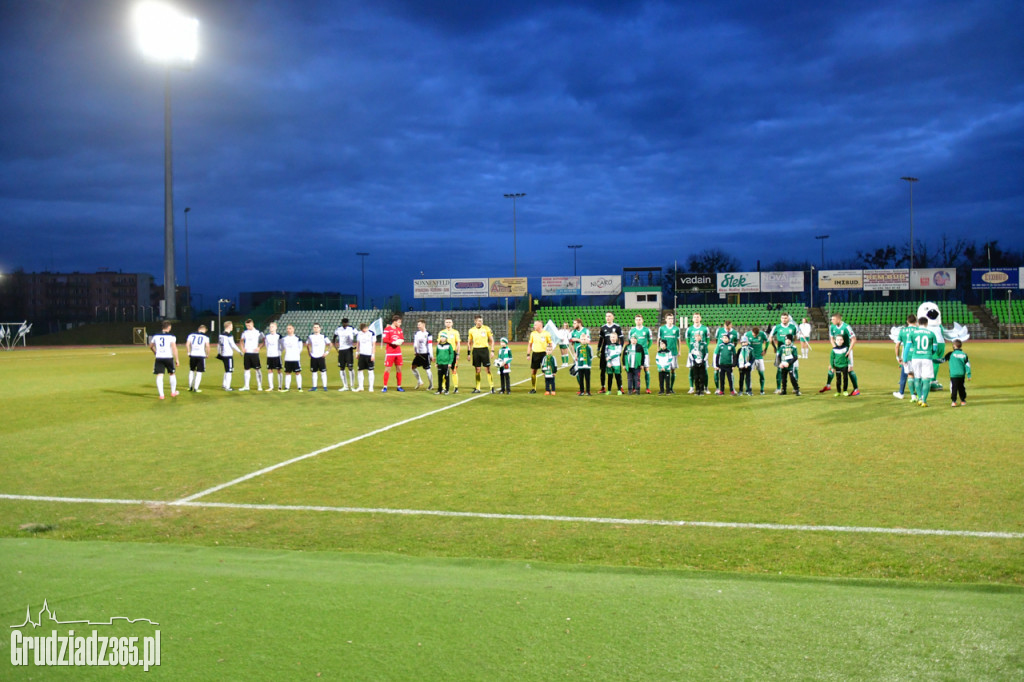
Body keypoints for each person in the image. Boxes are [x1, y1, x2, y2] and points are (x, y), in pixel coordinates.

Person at [818, 313, 860, 396]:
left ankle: (856, 389)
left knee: (849, 369)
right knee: (831, 366)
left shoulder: (846, 327)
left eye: (833, 319)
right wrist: (835, 348)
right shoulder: (832, 327)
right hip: (837, 351)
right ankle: (828, 385)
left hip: (846, 351)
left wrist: (849, 351)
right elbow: (831, 338)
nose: (831, 321)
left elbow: (854, 339)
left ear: (838, 319)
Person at [908, 316, 935, 407]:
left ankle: (919, 398)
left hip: (915, 357)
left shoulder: (913, 333)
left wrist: (904, 358)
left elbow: (908, 347)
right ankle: (924, 401)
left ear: (918, 323)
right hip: (927, 357)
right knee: (926, 379)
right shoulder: (931, 333)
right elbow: (935, 348)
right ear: (927, 324)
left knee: (917, 378)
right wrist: (930, 353)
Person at [768, 312, 798, 394]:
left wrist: (792, 345)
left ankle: (795, 388)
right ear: (780, 319)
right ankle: (779, 388)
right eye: (782, 318)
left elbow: (795, 337)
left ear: (788, 318)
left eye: (785, 318)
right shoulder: (777, 327)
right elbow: (770, 338)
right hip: (780, 353)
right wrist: (775, 347)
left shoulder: (793, 327)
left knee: (794, 370)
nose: (784, 320)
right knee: (779, 370)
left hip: (791, 353)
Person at [149, 321, 180, 399]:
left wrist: (155, 352)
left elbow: (151, 346)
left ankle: (161, 395)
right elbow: (174, 347)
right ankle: (173, 392)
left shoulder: (156, 335)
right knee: (172, 374)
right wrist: (177, 359)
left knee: (159, 375)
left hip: (159, 357)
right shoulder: (171, 336)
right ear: (169, 327)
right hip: (168, 357)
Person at [467, 314, 495, 394]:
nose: (480, 322)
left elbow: (491, 340)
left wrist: (492, 351)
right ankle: (478, 388)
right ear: (475, 321)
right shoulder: (471, 330)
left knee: (487, 369)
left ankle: (492, 387)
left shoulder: (487, 329)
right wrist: (468, 353)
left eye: (481, 321)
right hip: (476, 351)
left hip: (484, 350)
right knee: (477, 370)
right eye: (479, 321)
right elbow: (469, 343)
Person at [597, 312, 623, 394]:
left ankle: (620, 387)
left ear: (613, 317)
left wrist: (621, 348)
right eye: (606, 316)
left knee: (617, 370)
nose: (608, 318)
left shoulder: (617, 327)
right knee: (603, 369)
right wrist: (598, 348)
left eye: (609, 316)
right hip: (605, 350)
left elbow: (621, 339)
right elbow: (601, 340)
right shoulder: (603, 327)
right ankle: (603, 387)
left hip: (615, 350)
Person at [893, 314, 917, 401]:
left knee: (904, 374)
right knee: (917, 375)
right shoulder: (918, 330)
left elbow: (897, 345)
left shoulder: (903, 331)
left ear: (907, 321)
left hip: (906, 356)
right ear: (916, 321)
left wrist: (897, 357)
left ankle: (901, 393)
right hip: (918, 355)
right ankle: (917, 393)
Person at [628, 314, 654, 394]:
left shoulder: (647, 330)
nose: (638, 321)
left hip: (645, 353)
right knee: (634, 370)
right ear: (634, 321)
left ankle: (647, 388)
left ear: (642, 320)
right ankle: (635, 388)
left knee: (646, 369)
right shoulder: (632, 331)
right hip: (634, 354)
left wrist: (645, 349)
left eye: (639, 319)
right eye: (636, 319)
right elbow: (630, 342)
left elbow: (650, 341)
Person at [526, 320, 553, 394]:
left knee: (546, 371)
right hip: (535, 354)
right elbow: (530, 344)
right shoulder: (533, 334)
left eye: (535, 325)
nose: (534, 326)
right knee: (533, 371)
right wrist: (528, 354)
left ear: (540, 326)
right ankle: (533, 388)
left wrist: (550, 353)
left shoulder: (546, 333)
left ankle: (548, 388)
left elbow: (550, 343)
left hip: (544, 354)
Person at [684, 312, 709, 394]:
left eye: (698, 317)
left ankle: (705, 387)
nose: (696, 318)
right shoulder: (689, 329)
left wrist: (703, 348)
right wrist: (691, 348)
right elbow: (687, 340)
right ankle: (691, 387)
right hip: (693, 353)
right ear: (692, 319)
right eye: (695, 317)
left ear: (700, 318)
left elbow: (708, 339)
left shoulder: (705, 328)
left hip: (702, 352)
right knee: (691, 369)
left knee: (704, 370)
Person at [658, 312, 682, 394]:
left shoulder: (676, 329)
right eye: (669, 319)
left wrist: (679, 351)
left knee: (672, 370)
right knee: (663, 370)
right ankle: (663, 388)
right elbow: (659, 339)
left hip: (673, 352)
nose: (671, 320)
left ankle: (671, 387)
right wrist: (658, 349)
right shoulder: (661, 329)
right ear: (665, 319)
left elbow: (679, 340)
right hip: (664, 353)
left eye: (672, 319)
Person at [713, 320, 739, 392]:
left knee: (730, 373)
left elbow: (735, 343)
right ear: (724, 325)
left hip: (728, 354)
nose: (727, 329)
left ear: (731, 325)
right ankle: (718, 388)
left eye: (728, 327)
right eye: (726, 327)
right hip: (718, 353)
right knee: (716, 371)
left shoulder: (735, 333)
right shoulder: (719, 330)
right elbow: (716, 340)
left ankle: (732, 388)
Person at [381, 315, 404, 392]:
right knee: (387, 369)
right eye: (399, 322)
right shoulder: (387, 329)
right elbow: (385, 339)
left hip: (398, 352)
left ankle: (399, 386)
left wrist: (400, 341)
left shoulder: (399, 330)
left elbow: (402, 338)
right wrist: (393, 342)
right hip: (390, 352)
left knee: (399, 369)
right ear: (394, 322)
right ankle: (385, 387)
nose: (400, 324)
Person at [239, 318, 264, 392]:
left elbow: (263, 341)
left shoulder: (258, 332)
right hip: (247, 354)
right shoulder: (245, 332)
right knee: (246, 370)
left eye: (249, 325)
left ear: (252, 324)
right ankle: (246, 386)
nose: (248, 327)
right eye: (246, 326)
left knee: (257, 369)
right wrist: (242, 348)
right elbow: (241, 341)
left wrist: (259, 347)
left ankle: (259, 386)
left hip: (254, 354)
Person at [742, 326, 768, 395]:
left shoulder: (762, 334)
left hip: (759, 357)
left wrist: (765, 349)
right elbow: (743, 344)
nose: (755, 336)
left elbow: (767, 341)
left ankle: (762, 390)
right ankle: (748, 389)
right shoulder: (747, 334)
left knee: (761, 374)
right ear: (752, 332)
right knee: (748, 374)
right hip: (750, 358)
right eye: (754, 334)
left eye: (756, 335)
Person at [217, 321, 242, 391]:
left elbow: (219, 345)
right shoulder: (229, 335)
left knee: (226, 369)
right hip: (228, 355)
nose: (232, 327)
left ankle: (224, 384)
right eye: (231, 326)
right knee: (229, 371)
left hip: (223, 354)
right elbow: (233, 345)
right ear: (229, 326)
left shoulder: (221, 335)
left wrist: (219, 353)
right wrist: (239, 351)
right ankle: (227, 387)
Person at [945, 339, 971, 407]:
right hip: (961, 374)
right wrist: (968, 375)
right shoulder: (964, 354)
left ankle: (954, 401)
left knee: (954, 388)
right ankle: (963, 400)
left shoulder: (951, 354)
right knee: (961, 387)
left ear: (954, 345)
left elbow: (942, 360)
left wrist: (932, 360)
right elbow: (967, 365)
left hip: (954, 374)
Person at [333, 317, 356, 392]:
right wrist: (336, 347)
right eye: (344, 323)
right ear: (342, 323)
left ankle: (352, 386)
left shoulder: (351, 328)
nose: (346, 324)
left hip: (349, 349)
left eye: (347, 323)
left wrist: (355, 345)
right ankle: (345, 386)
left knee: (350, 367)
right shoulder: (338, 329)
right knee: (342, 368)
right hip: (341, 350)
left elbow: (358, 335)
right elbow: (334, 338)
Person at [185, 324, 210, 392]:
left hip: (193, 355)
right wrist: (207, 354)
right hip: (201, 355)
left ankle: (190, 387)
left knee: (191, 370)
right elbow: (207, 346)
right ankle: (196, 388)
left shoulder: (191, 335)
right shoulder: (205, 337)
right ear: (204, 329)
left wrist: (188, 352)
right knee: (199, 372)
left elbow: (187, 344)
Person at [306, 322, 330, 392]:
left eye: (317, 327)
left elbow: (330, 344)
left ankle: (325, 387)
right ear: (313, 328)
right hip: (313, 356)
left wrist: (327, 352)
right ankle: (314, 387)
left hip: (321, 356)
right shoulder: (310, 336)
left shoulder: (323, 336)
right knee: (314, 372)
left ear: (320, 328)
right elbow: (307, 344)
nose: (316, 328)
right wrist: (309, 352)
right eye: (314, 327)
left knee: (323, 372)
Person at [411, 319, 434, 391]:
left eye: (419, 324)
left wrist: (431, 355)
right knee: (413, 367)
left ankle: (431, 385)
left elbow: (430, 345)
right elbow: (415, 343)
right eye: (418, 325)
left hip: (425, 354)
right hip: (418, 354)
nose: (418, 326)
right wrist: (416, 351)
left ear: (423, 325)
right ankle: (419, 381)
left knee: (427, 370)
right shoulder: (417, 333)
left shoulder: (428, 334)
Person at [441, 317, 462, 393]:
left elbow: (458, 343)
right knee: (444, 370)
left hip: (452, 353)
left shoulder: (455, 332)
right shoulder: (441, 332)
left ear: (452, 323)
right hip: (444, 353)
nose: (448, 323)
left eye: (449, 322)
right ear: (444, 323)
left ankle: (456, 387)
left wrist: (458, 353)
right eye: (447, 322)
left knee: (454, 370)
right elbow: (439, 343)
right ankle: (443, 387)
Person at [280, 324, 304, 392]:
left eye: (290, 328)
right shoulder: (284, 339)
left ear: (293, 329)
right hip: (287, 358)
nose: (288, 330)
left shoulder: (297, 338)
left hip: (295, 358)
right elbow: (282, 348)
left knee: (297, 372)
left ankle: (299, 387)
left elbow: (300, 348)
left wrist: (296, 354)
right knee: (288, 373)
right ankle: (287, 387)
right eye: (287, 328)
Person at [354, 322, 376, 392]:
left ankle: (371, 387)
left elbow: (374, 344)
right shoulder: (359, 333)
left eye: (365, 329)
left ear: (367, 327)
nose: (364, 331)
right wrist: (357, 352)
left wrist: (373, 354)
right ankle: (361, 386)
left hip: (369, 354)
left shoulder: (372, 333)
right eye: (362, 330)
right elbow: (358, 343)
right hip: (362, 354)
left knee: (370, 371)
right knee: (360, 370)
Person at [688, 331, 709, 396]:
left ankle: (702, 390)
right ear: (694, 337)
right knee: (696, 377)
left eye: (699, 336)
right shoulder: (692, 344)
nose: (697, 337)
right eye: (696, 336)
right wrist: (693, 360)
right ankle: (697, 390)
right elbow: (690, 353)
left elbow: (707, 353)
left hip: (702, 362)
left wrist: (703, 360)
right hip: (695, 362)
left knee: (702, 377)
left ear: (701, 337)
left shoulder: (704, 344)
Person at [264, 322, 283, 392]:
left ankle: (280, 386)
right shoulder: (267, 336)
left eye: (272, 326)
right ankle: (271, 387)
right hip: (269, 356)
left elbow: (282, 345)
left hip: (277, 355)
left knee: (279, 370)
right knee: (269, 370)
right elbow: (267, 345)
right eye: (270, 326)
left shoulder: (279, 336)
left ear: (276, 328)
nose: (271, 327)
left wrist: (280, 351)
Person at [604, 330, 624, 395]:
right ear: (610, 338)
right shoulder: (607, 346)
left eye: (614, 337)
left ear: (617, 338)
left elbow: (618, 354)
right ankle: (609, 390)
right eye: (611, 337)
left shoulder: (619, 346)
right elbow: (606, 354)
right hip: (609, 364)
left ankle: (619, 390)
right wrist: (609, 362)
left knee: (618, 377)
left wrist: (610, 357)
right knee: (610, 377)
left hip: (617, 364)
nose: (612, 338)